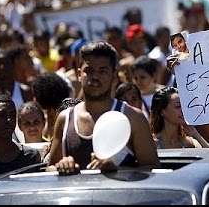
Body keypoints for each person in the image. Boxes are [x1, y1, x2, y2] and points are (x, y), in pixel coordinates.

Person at [47, 41, 160, 173]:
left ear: (114, 76)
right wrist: (62, 166)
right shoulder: (65, 119)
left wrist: (116, 170)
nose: (95, 77)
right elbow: (50, 168)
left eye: (103, 71)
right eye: (88, 71)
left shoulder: (133, 118)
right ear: (79, 74)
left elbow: (153, 169)